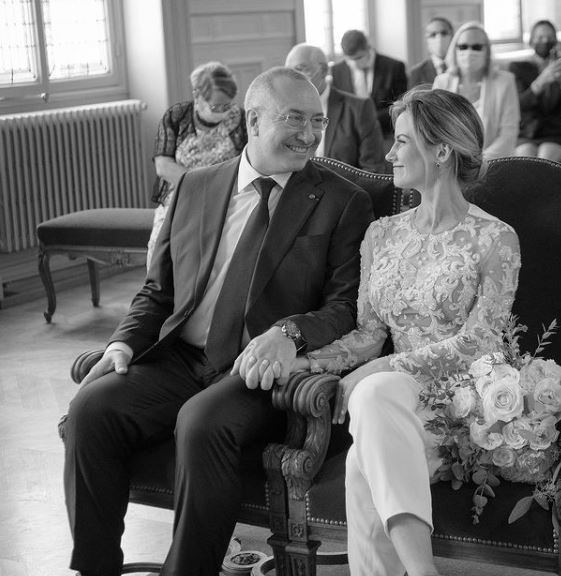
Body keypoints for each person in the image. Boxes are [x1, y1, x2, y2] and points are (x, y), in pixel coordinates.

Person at [61, 66, 373, 576]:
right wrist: (121, 345)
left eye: (317, 120)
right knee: (90, 409)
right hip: (181, 358)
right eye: (294, 118)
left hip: (257, 373)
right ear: (253, 120)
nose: (309, 134)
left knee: (201, 422)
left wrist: (289, 333)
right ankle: (95, 569)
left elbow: (344, 306)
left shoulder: (342, 201)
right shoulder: (195, 186)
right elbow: (159, 290)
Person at [294, 87, 521, 576]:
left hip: (460, 403)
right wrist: (307, 361)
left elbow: (480, 342)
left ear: (441, 151)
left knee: (363, 451)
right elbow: (368, 333)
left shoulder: (495, 238)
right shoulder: (382, 234)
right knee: (374, 405)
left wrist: (382, 367)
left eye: (401, 141)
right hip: (392, 400)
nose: (388, 154)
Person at [148, 61, 247, 267]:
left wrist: (218, 191)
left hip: (225, 196)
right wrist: (202, 186)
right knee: (163, 251)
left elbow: (247, 163)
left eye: (228, 105)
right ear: (197, 96)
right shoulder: (177, 117)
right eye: (216, 106)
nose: (224, 111)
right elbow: (163, 166)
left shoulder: (240, 120)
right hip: (181, 195)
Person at [285, 42, 387, 172]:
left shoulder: (359, 108)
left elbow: (373, 170)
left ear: (323, 70)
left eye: (299, 69)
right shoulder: (285, 112)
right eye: (288, 72)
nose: (292, 78)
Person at [433, 21, 520, 160]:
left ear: (487, 51)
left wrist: (478, 163)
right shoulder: (442, 82)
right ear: (454, 50)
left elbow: (508, 135)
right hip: (450, 162)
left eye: (477, 47)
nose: (469, 52)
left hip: (492, 163)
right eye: (463, 47)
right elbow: (434, 129)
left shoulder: (505, 82)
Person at [330, 29, 407, 139]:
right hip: (350, 138)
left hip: (385, 135)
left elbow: (401, 105)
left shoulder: (394, 67)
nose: (355, 63)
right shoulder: (337, 71)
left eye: (359, 57)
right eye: (350, 59)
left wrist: (369, 120)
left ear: (368, 47)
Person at [508, 19, 561, 162]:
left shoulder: (559, 68)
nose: (545, 41)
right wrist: (541, 81)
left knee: (545, 158)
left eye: (550, 37)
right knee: (526, 159)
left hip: (554, 133)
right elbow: (518, 104)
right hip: (527, 133)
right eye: (540, 37)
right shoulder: (518, 68)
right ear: (531, 41)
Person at [409, 16, 454, 88]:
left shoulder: (463, 67)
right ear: (426, 40)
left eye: (444, 33)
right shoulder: (416, 73)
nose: (439, 38)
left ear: (453, 36)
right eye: (433, 34)